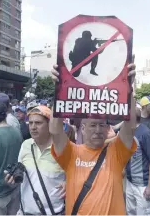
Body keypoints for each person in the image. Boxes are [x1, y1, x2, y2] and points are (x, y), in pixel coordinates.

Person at [49, 61, 137, 215]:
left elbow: (130, 126)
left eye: (102, 125)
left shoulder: (116, 152)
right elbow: (55, 131)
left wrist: (129, 89)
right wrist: (58, 90)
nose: (98, 130)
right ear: (82, 128)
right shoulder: (71, 153)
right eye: (92, 125)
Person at [5, 105, 66, 215]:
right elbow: (20, 173)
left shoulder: (62, 148)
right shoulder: (25, 145)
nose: (33, 127)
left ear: (49, 125)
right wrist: (12, 178)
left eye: (38, 123)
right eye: (31, 123)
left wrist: (68, 182)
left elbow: (75, 176)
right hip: (25, 212)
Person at [125, 107, 150, 215]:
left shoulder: (145, 133)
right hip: (130, 182)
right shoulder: (128, 131)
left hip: (143, 185)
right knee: (131, 212)